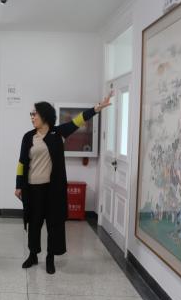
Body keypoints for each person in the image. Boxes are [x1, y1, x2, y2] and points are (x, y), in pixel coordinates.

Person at [15, 93, 112, 274]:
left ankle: (50, 257)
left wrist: (97, 108)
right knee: (34, 223)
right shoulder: (28, 137)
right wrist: (19, 185)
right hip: (32, 188)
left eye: (35, 114)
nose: (32, 117)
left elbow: (78, 120)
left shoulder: (58, 133)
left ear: (45, 116)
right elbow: (21, 162)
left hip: (53, 189)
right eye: (31, 114)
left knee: (54, 223)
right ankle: (33, 254)